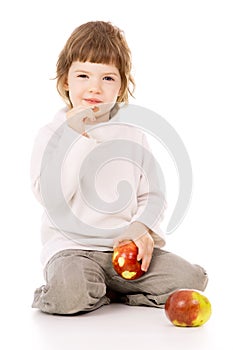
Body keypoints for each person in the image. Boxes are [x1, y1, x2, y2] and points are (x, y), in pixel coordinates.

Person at [31, 21, 208, 315]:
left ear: (122, 86)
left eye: (108, 78)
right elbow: (53, 198)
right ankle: (79, 290)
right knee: (70, 292)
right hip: (71, 249)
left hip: (122, 249)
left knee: (192, 280)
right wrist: (75, 136)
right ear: (65, 81)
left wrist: (141, 228)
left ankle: (109, 290)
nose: (94, 88)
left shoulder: (132, 134)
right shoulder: (53, 134)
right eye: (83, 75)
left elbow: (153, 194)